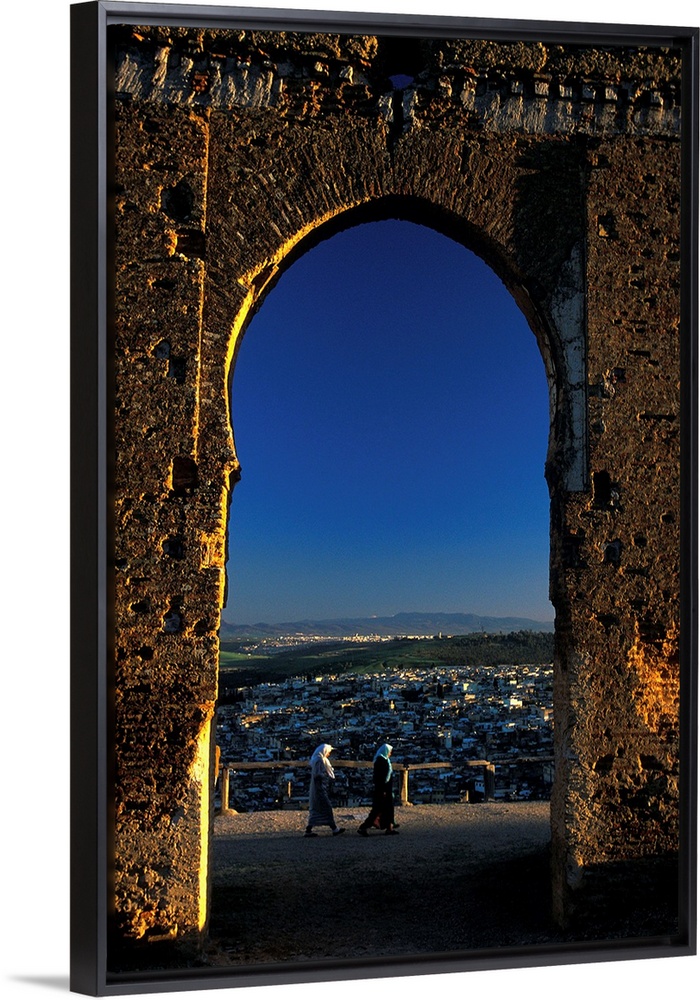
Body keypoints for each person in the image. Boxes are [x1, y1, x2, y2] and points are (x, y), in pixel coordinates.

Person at [358, 743, 399, 835]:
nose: (390, 754)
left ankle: (389, 828)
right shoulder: (381, 761)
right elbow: (381, 777)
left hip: (385, 789)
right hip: (382, 790)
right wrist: (384, 790)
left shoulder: (384, 760)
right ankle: (364, 827)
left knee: (387, 809)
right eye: (389, 752)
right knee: (377, 809)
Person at [304, 743, 345, 837]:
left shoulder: (318, 759)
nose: (329, 754)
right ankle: (334, 829)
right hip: (319, 788)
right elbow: (317, 775)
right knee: (326, 807)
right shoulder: (319, 760)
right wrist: (324, 777)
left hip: (318, 788)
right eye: (328, 752)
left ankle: (309, 829)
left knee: (316, 809)